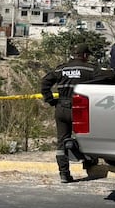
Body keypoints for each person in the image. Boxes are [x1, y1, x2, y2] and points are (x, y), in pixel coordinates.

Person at [40, 43, 103, 183]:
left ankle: (64, 174)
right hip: (80, 109)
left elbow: (45, 83)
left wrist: (51, 100)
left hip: (62, 108)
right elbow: (107, 79)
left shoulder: (61, 69)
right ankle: (89, 164)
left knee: (61, 142)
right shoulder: (90, 69)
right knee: (87, 138)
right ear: (85, 55)